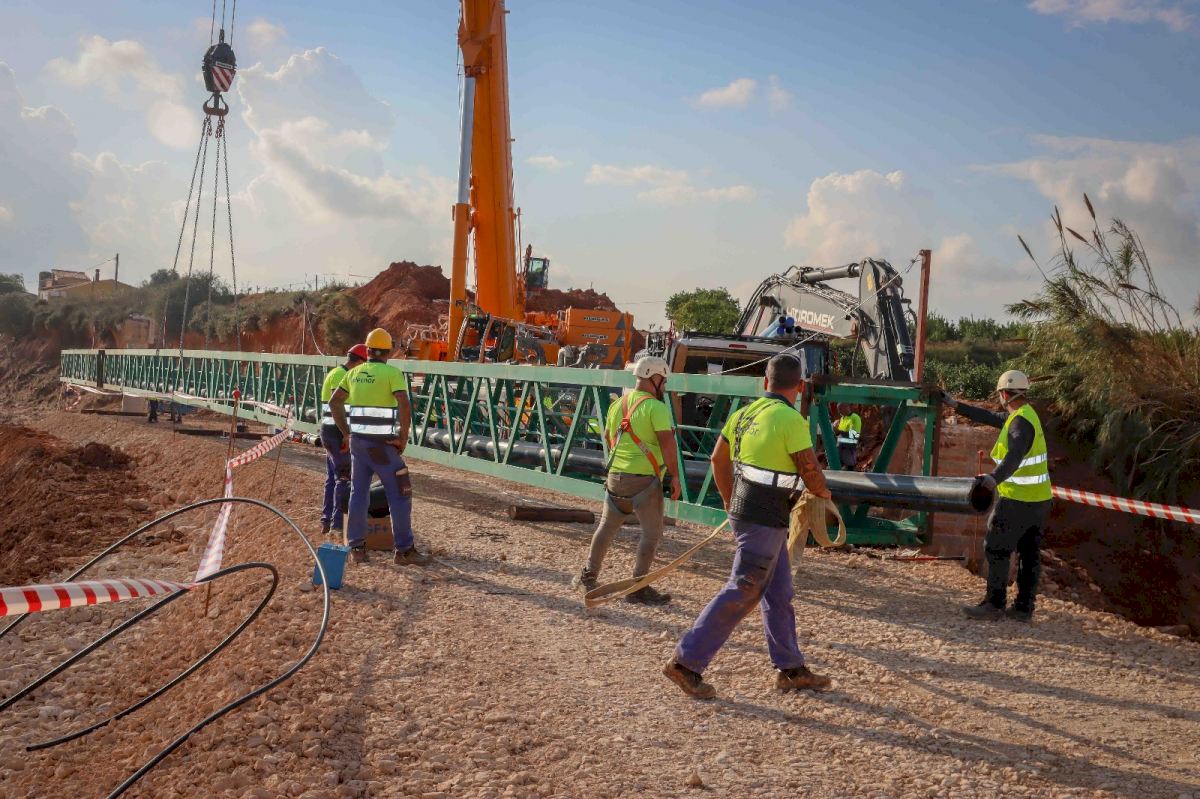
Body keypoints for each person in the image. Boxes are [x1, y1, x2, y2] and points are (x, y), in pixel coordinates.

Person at [664, 354, 833, 699]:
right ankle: (686, 662)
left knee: (779, 592)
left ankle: (791, 669)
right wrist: (825, 495)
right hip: (765, 518)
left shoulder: (743, 414)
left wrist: (730, 502)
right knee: (743, 588)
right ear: (800, 387)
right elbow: (810, 470)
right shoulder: (791, 419)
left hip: (752, 514)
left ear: (765, 383)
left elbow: (717, 459)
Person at [942, 370, 1052, 622]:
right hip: (1039, 500)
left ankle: (994, 605)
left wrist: (993, 479)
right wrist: (956, 405)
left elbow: (1015, 456)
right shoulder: (1025, 415)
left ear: (1004, 393)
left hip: (1017, 500)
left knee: (996, 547)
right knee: (1029, 554)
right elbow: (991, 417)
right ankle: (1023, 609)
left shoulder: (1019, 423)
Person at [572, 356, 683, 605]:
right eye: (664, 381)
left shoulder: (618, 405)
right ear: (655, 378)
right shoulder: (656, 408)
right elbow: (668, 445)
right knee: (652, 533)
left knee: (606, 527)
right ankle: (638, 587)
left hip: (615, 478)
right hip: (643, 481)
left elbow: (609, 436)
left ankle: (589, 575)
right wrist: (675, 476)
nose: (664, 386)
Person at [329, 328, 429, 566]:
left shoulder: (353, 374)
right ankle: (404, 550)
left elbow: (334, 402)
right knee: (400, 492)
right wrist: (403, 438)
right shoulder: (392, 373)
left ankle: (356, 547)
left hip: (358, 444)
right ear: (389, 351)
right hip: (382, 445)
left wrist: (347, 433)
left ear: (368, 350)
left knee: (359, 494)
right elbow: (404, 404)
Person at [318, 344, 369, 537]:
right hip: (337, 433)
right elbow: (336, 405)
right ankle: (337, 525)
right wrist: (346, 434)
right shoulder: (343, 375)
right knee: (344, 477)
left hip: (330, 431)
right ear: (360, 361)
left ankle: (326, 520)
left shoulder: (336, 372)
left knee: (333, 477)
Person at [832, 402, 862, 469]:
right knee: (831, 441)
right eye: (838, 410)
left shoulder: (855, 418)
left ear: (846, 407)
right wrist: (834, 428)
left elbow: (854, 434)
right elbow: (838, 433)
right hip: (842, 440)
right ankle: (837, 463)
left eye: (840, 409)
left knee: (838, 442)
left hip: (852, 440)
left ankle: (842, 464)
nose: (839, 412)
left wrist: (839, 431)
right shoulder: (842, 418)